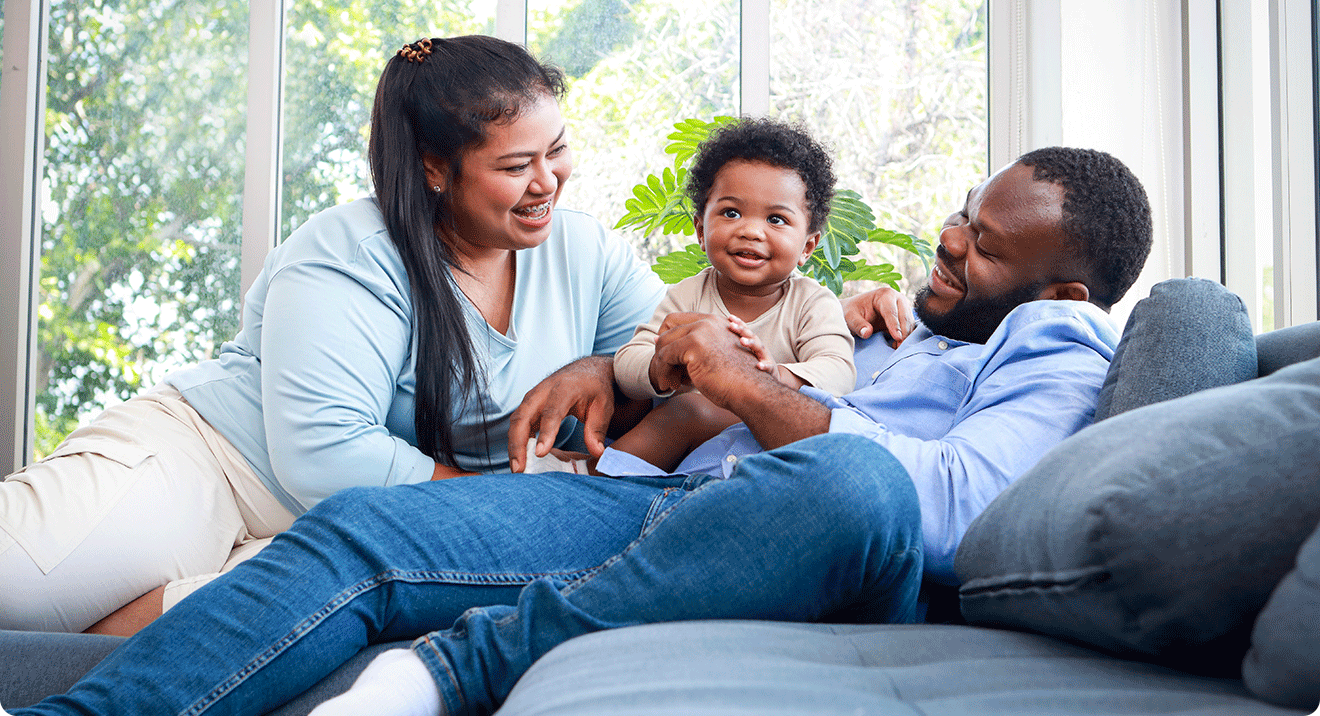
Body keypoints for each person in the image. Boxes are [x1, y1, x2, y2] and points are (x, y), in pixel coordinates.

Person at [2, 145, 1153, 716]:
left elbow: (946, 506)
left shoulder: (1058, 342)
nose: (951, 243)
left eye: (987, 247)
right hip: (666, 503)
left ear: (1063, 289)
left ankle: (447, 671)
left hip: (818, 543)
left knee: (852, 479)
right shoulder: (920, 326)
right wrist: (620, 367)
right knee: (365, 527)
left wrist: (745, 390)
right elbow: (698, 356)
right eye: (964, 216)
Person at [0, 35, 668, 636]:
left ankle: (122, 626)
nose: (548, 181)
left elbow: (664, 360)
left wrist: (602, 367)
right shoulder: (351, 252)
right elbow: (327, 451)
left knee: (160, 635)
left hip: (325, 530)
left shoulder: (586, 253)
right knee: (15, 595)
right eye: (516, 165)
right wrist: (498, 512)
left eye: (556, 150)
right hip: (214, 466)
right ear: (436, 168)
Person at [529, 118, 856, 476]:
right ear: (701, 230)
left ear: (808, 244)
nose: (750, 230)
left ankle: (591, 475)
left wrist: (768, 376)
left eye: (776, 219)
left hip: (765, 443)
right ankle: (593, 473)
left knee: (690, 412)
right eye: (731, 213)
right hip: (685, 457)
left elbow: (839, 373)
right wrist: (661, 369)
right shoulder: (689, 296)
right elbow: (627, 362)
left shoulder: (811, 303)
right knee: (678, 412)